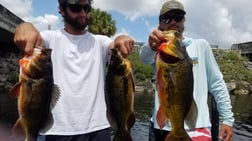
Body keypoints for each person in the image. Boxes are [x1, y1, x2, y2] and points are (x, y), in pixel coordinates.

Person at [13, 0, 134, 141]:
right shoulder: (50, 38)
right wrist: (25, 26)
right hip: (59, 130)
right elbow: (31, 34)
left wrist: (121, 39)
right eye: (76, 7)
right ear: (62, 9)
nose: (83, 13)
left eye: (86, 7)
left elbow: (114, 45)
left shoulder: (100, 42)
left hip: (99, 128)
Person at [139, 0, 234, 141]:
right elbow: (144, 57)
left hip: (197, 126)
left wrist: (227, 119)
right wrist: (151, 44)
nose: (173, 22)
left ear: (183, 21)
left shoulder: (201, 45)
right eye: (166, 18)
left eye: (177, 17)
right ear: (160, 23)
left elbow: (216, 83)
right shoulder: (158, 50)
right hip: (161, 127)